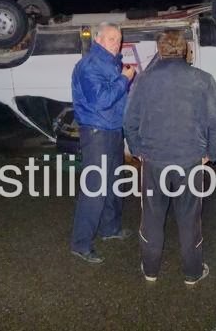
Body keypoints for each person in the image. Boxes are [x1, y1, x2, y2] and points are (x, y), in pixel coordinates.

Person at [124, 30, 216, 285]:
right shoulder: (203, 80)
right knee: (189, 218)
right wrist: (210, 155)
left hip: (154, 162)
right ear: (185, 51)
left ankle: (150, 270)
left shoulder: (144, 80)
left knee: (152, 217)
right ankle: (192, 273)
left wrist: (138, 151)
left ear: (160, 51)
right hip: (190, 162)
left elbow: (129, 121)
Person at [70, 22, 136, 264]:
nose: (116, 43)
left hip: (113, 130)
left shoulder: (111, 62)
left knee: (113, 183)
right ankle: (80, 243)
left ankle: (110, 228)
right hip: (96, 132)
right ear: (98, 40)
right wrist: (125, 79)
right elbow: (101, 100)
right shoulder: (89, 65)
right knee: (95, 188)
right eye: (111, 39)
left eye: (118, 39)